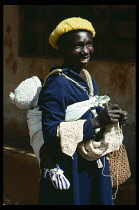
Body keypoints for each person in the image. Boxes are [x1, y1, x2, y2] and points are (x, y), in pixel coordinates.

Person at [36, 17, 128, 205]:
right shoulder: (57, 84)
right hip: (71, 168)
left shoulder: (87, 78)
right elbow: (51, 132)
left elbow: (88, 113)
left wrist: (112, 119)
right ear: (62, 48)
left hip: (91, 163)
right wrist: (97, 122)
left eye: (89, 44)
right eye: (78, 46)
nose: (85, 51)